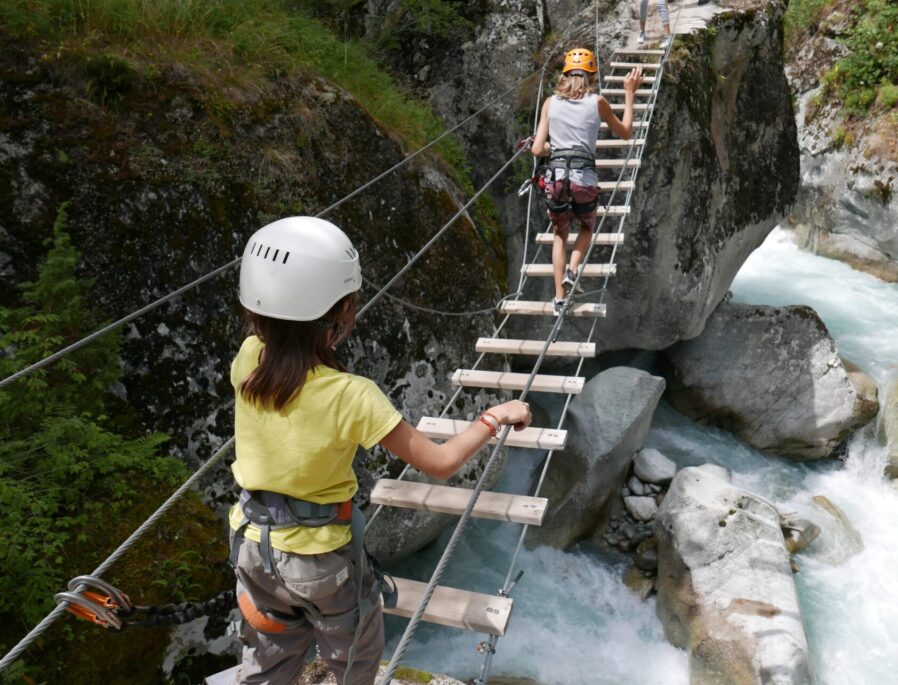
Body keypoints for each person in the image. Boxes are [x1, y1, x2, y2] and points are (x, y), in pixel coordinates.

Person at [228, 215, 532, 685]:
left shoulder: (248, 357)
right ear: (344, 309)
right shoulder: (351, 394)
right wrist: (494, 417)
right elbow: (441, 462)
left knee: (269, 658)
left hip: (250, 546)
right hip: (319, 562)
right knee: (354, 660)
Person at [531, 49, 643, 314]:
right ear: (591, 77)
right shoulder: (598, 102)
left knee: (559, 236)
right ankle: (572, 269)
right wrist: (629, 93)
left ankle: (559, 299)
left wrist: (552, 149)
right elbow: (626, 132)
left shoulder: (550, 103)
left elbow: (536, 150)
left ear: (566, 74)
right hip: (584, 179)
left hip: (557, 178)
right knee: (586, 227)